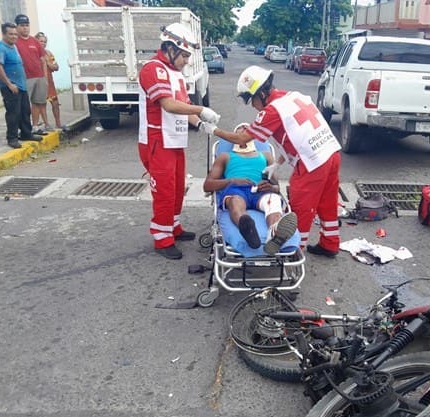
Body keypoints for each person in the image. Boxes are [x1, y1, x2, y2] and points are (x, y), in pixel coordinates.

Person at [201, 65, 342, 258]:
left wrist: (214, 130)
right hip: (330, 152)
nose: (252, 106)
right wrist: (277, 164)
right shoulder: (295, 96)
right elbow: (297, 137)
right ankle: (330, 243)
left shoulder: (272, 111)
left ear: (261, 92)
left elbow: (243, 139)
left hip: (312, 162)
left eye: (252, 100)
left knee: (300, 208)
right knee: (327, 202)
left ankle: (292, 253)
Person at [138, 23, 220, 260]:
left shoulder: (175, 74)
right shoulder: (153, 69)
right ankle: (162, 238)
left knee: (176, 188)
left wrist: (201, 123)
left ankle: (173, 227)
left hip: (174, 140)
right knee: (163, 190)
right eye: (184, 55)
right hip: (157, 140)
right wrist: (201, 108)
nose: (186, 61)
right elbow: (168, 104)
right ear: (170, 48)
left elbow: (183, 108)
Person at [203, 123, 298, 256]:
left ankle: (274, 233)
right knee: (235, 202)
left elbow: (277, 187)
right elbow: (207, 185)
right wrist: (232, 180)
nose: (244, 129)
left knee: (274, 199)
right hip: (236, 189)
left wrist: (271, 186)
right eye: (240, 129)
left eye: (247, 129)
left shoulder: (265, 156)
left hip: (261, 191)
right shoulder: (225, 156)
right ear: (234, 137)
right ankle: (248, 229)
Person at [0, 22, 42, 149]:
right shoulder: (0, 48)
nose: (14, 37)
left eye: (15, 34)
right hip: (10, 87)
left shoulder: (13, 47)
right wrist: (9, 83)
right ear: (4, 34)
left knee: (25, 111)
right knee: (13, 113)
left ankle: (26, 133)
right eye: (11, 34)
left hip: (21, 85)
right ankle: (12, 138)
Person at [14, 14, 48, 136]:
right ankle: (23, 129)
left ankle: (34, 126)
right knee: (23, 105)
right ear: (17, 27)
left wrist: (44, 77)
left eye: (27, 25)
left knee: (38, 102)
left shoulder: (34, 41)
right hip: (24, 78)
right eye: (22, 26)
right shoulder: (15, 42)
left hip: (39, 76)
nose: (25, 28)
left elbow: (42, 58)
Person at [35, 32, 64, 131]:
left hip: (50, 83)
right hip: (39, 82)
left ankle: (58, 123)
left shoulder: (49, 53)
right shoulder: (34, 53)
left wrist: (48, 63)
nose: (43, 43)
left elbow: (56, 66)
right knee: (40, 104)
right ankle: (43, 124)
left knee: (55, 103)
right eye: (41, 41)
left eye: (45, 41)